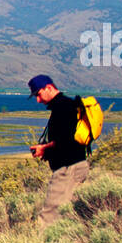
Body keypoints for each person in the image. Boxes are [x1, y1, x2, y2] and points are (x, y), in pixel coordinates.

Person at [27, 74, 89, 226]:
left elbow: (66, 140)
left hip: (67, 170)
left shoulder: (63, 107)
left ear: (49, 88)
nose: (38, 100)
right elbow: (67, 140)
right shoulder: (67, 105)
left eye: (39, 94)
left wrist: (44, 148)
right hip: (76, 165)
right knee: (70, 214)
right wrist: (47, 151)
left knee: (49, 215)